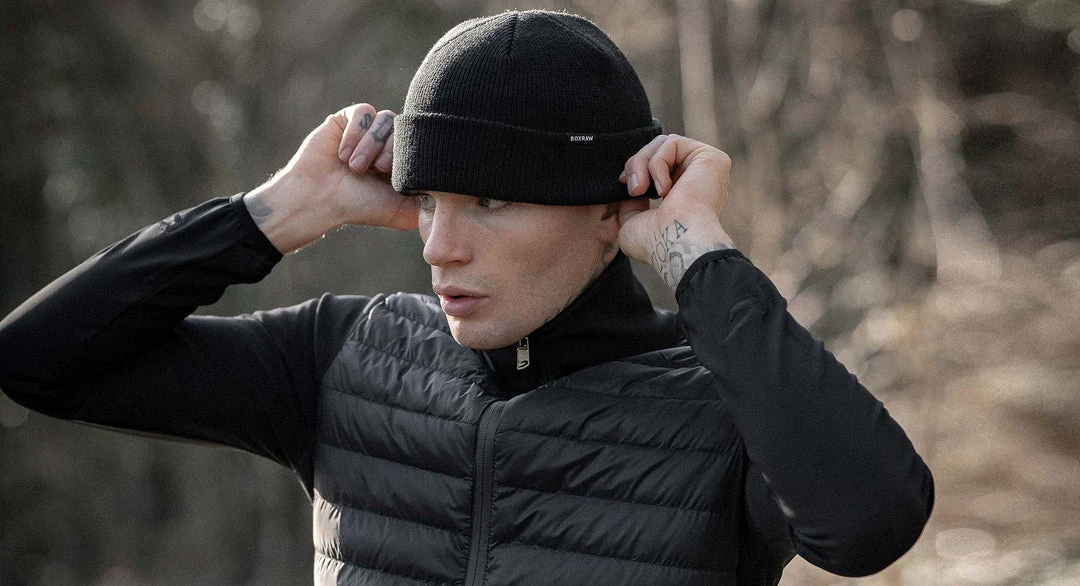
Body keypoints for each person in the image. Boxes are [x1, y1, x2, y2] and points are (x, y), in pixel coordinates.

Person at [0, 10, 933, 585]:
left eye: (489, 202)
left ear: (612, 209)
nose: (439, 246)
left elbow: (869, 526)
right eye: (428, 200)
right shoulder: (342, 360)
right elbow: (37, 360)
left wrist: (698, 256)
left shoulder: (727, 408)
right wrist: (277, 212)